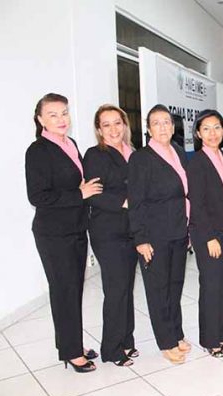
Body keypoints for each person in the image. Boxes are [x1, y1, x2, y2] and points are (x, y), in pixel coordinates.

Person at [25, 93, 103, 372]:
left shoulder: (70, 144)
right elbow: (38, 196)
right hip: (54, 234)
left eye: (65, 113)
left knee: (73, 290)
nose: (61, 119)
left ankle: (70, 343)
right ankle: (71, 352)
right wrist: (78, 193)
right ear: (40, 119)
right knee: (64, 291)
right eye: (53, 114)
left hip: (76, 228)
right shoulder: (38, 151)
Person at [128, 104, 190, 364]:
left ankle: (176, 333)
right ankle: (165, 342)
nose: (163, 127)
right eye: (157, 123)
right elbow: (136, 201)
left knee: (175, 287)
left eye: (167, 122)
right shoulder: (141, 158)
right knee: (158, 289)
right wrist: (140, 238)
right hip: (153, 236)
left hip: (178, 230)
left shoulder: (176, 151)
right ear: (148, 128)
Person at [83, 105, 138, 367]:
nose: (114, 129)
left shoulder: (133, 152)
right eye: (107, 125)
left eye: (118, 123)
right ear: (98, 130)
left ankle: (127, 340)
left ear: (125, 125)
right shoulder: (95, 155)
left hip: (132, 230)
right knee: (116, 289)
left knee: (127, 286)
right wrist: (124, 202)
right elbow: (93, 193)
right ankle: (112, 349)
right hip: (108, 231)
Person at [188, 109, 223, 357]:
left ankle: (220, 335)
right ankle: (210, 340)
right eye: (206, 128)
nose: (212, 133)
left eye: (217, 127)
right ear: (198, 133)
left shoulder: (222, 157)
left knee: (219, 285)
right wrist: (209, 237)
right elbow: (196, 203)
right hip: (209, 233)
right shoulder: (198, 161)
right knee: (210, 286)